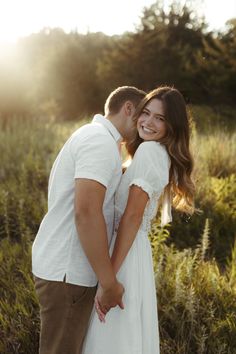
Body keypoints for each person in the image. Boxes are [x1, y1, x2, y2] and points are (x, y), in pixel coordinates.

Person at [32, 86, 146, 354]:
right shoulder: (99, 142)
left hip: (65, 269)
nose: (143, 127)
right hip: (69, 273)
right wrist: (109, 283)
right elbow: (86, 213)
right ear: (128, 109)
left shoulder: (97, 138)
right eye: (142, 116)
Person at [82, 86, 195, 354]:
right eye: (146, 113)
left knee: (111, 338)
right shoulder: (153, 153)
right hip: (133, 252)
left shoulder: (150, 152)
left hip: (124, 256)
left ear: (172, 126)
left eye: (160, 118)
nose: (148, 122)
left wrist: (109, 279)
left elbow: (132, 217)